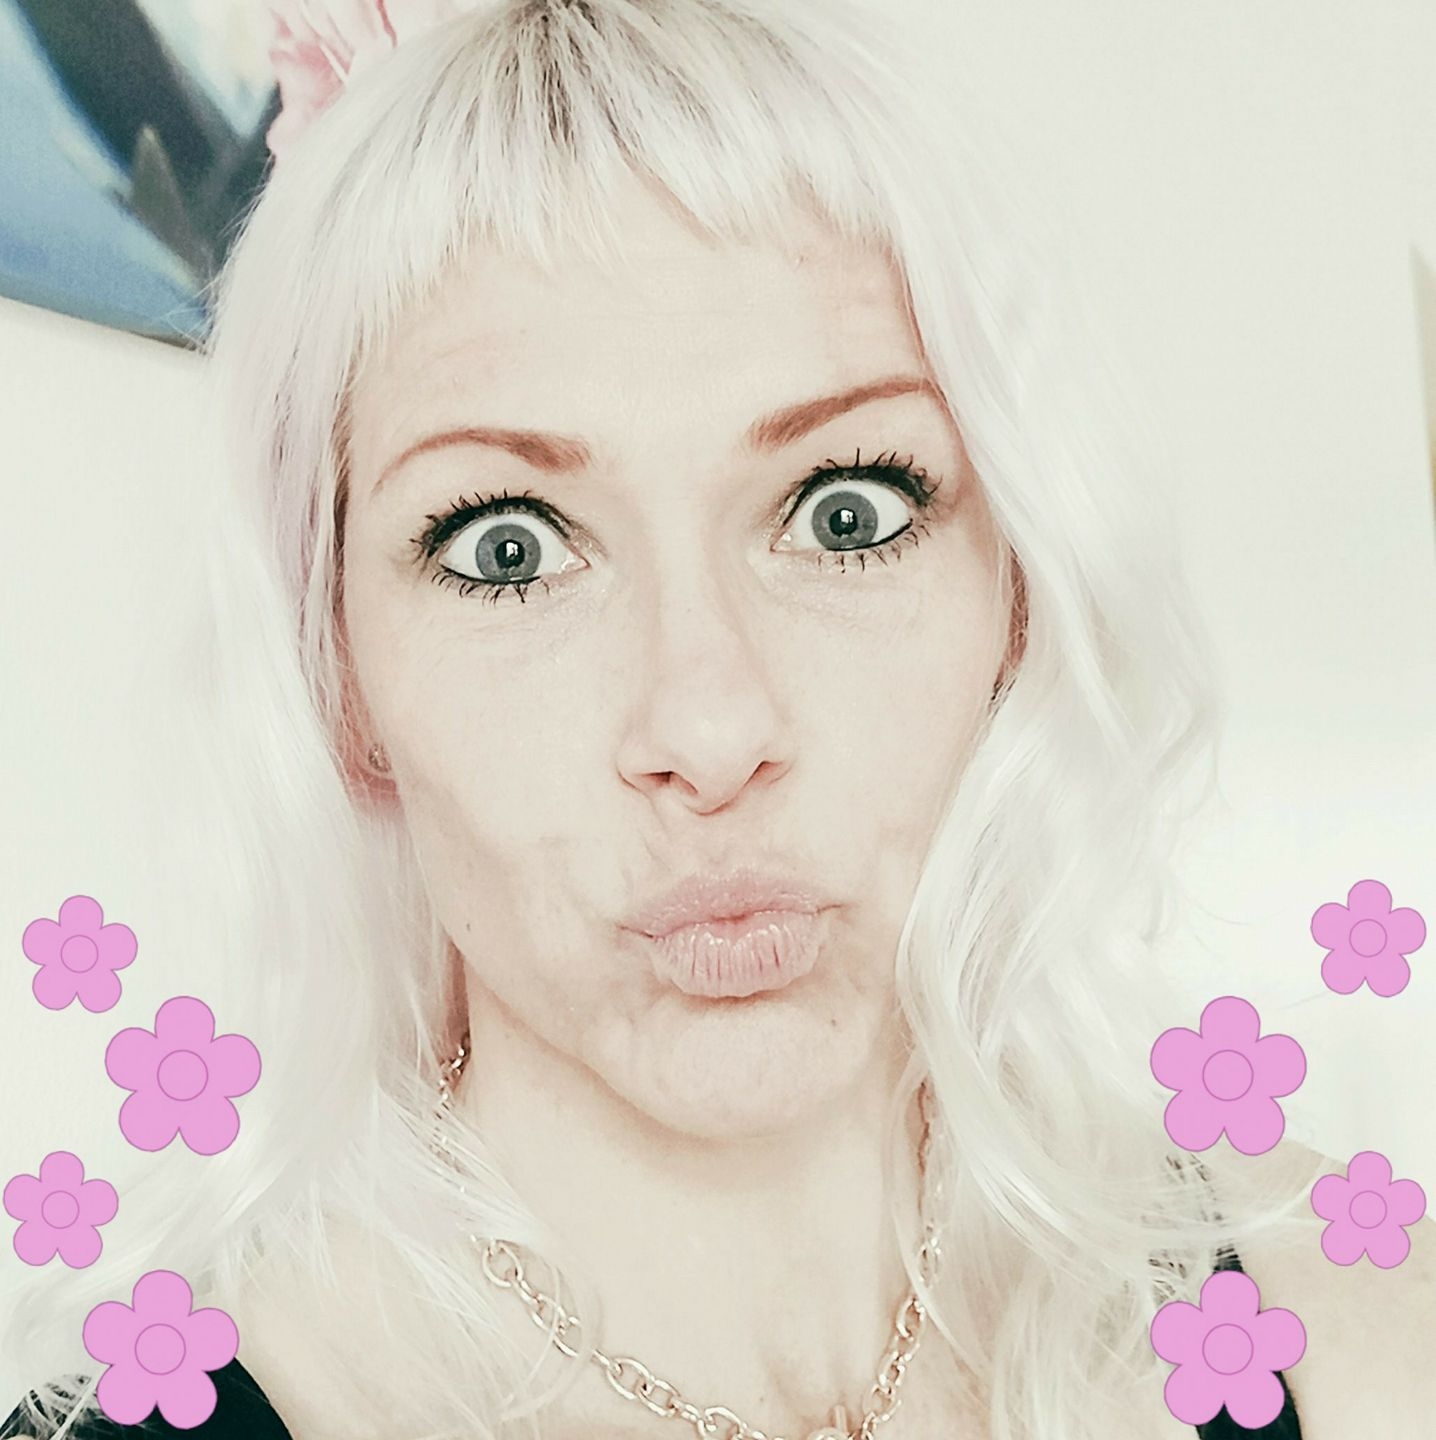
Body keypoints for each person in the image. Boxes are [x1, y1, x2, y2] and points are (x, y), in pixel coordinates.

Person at [4, 1, 1431, 1437]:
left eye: (847, 510)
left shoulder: (1367, 1327)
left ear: (1015, 598)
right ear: (339, 671)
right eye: (509, 547)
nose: (710, 729)